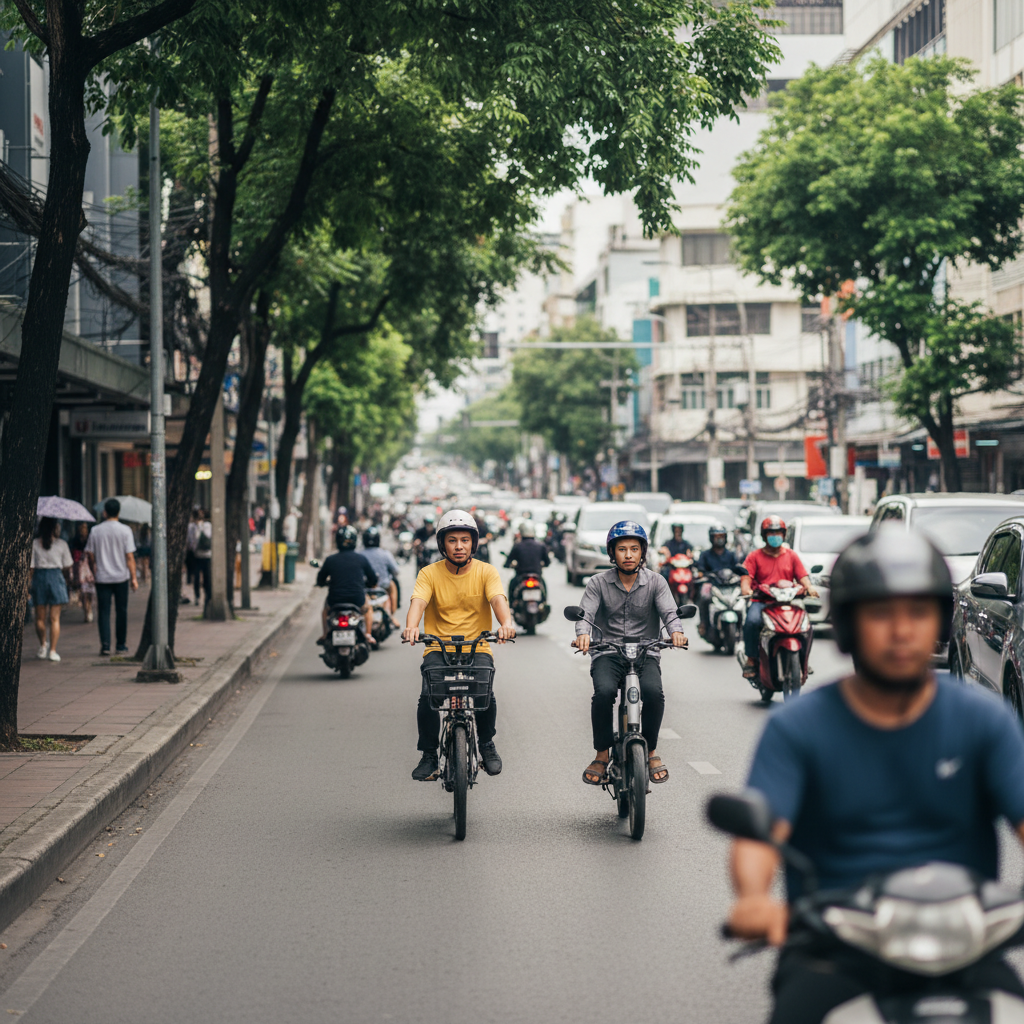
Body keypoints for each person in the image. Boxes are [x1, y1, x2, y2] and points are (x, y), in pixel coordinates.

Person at [724, 528, 1024, 1024]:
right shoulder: (797, 728)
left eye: (918, 613)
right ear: (846, 625)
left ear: (940, 623)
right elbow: (760, 834)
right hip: (835, 951)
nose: (902, 630)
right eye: (881, 614)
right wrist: (754, 900)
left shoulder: (984, 721)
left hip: (964, 949)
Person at [573, 521, 688, 787]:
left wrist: (676, 633)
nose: (628, 555)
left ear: (642, 552)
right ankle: (601, 754)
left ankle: (650, 752)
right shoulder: (597, 583)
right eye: (622, 549)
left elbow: (670, 613)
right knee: (603, 694)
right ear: (612, 553)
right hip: (608, 652)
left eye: (634, 549)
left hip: (646, 651)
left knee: (654, 694)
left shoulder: (656, 582)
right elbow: (586, 614)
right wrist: (583, 634)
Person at [403, 509, 515, 782]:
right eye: (452, 541)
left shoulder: (486, 571)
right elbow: (418, 601)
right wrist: (412, 627)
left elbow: (498, 599)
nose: (459, 546)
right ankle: (429, 754)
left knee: (485, 693)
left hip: (477, 648)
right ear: (442, 544)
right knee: (428, 698)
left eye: (465, 540)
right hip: (438, 649)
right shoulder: (429, 573)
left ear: (473, 543)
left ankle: (487, 743)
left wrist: (506, 623)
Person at [739, 515, 818, 678]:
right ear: (764, 535)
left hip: (787, 601)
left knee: (807, 626)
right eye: (771, 533)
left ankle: (804, 660)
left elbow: (802, 576)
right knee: (752, 622)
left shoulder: (791, 555)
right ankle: (752, 659)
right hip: (762, 601)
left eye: (778, 533)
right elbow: (746, 576)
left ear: (783, 534)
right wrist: (746, 589)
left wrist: (809, 587)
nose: (775, 536)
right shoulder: (754, 556)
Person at [85, 498, 138, 656]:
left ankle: (106, 645)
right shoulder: (125, 530)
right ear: (119, 512)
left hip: (102, 577)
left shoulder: (96, 530)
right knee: (122, 611)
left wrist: (95, 567)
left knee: (104, 612)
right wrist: (134, 578)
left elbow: (89, 553)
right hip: (121, 577)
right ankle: (121, 645)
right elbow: (129, 556)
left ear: (105, 512)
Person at [316, 525, 378, 646]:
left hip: (335, 600)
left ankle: (324, 635)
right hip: (357, 600)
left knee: (325, 611)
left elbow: (320, 579)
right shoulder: (361, 559)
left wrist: (322, 583)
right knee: (368, 608)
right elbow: (373, 579)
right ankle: (368, 635)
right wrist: (369, 584)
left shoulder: (330, 560)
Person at [30, 517, 73, 662]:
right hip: (56, 576)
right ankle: (53, 651)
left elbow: (30, 567)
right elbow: (67, 565)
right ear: (55, 528)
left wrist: (28, 584)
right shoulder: (62, 544)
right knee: (55, 619)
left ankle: (43, 644)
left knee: (39, 618)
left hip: (39, 577)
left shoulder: (34, 544)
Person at [694, 524, 747, 637]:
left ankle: (743, 627)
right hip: (712, 585)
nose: (719, 539)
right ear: (711, 538)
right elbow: (700, 571)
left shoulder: (731, 555)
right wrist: (703, 575)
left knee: (744, 598)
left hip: (729, 586)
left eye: (721, 536)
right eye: (716, 536)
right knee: (705, 598)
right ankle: (704, 624)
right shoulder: (705, 555)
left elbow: (737, 568)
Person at [361, 526, 401, 625]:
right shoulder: (385, 554)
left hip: (363, 586)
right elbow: (396, 571)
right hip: (383, 586)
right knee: (393, 584)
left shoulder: (359, 555)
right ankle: (392, 616)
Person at [504, 520, 550, 598]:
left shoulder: (517, 546)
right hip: (537, 575)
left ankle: (511, 607)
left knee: (512, 585)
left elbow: (508, 561)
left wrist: (509, 565)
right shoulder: (541, 545)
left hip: (521, 575)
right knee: (543, 586)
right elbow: (547, 562)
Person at [69, 521, 94, 623]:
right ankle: (87, 610)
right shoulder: (74, 541)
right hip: (79, 567)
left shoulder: (90, 540)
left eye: (85, 527)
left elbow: (93, 556)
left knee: (90, 591)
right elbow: (71, 555)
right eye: (82, 527)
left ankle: (89, 606)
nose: (83, 529)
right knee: (83, 591)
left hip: (88, 567)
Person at [192, 509, 213, 609]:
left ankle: (207, 596)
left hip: (206, 555)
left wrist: (200, 527)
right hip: (197, 556)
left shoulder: (206, 526)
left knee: (206, 577)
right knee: (196, 577)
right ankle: (197, 596)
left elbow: (207, 538)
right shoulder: (192, 527)